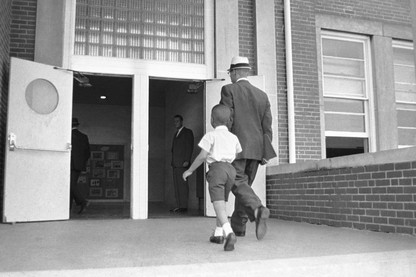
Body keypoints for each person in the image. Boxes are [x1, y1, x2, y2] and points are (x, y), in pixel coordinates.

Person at [220, 56, 276, 240]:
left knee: (237, 183)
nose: (230, 77)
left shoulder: (229, 90)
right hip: (257, 150)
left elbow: (226, 119)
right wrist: (266, 152)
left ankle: (258, 209)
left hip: (237, 147)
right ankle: (239, 228)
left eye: (230, 73)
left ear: (235, 72)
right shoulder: (262, 95)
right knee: (244, 188)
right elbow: (267, 127)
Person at [183, 104, 242, 251]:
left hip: (217, 170)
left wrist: (189, 170)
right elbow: (237, 153)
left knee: (218, 204)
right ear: (229, 121)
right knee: (222, 203)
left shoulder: (211, 136)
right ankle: (218, 233)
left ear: (211, 120)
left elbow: (203, 156)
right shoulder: (233, 137)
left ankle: (229, 232)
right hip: (230, 170)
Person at [171, 114, 194, 213]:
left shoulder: (187, 132)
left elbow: (189, 147)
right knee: (177, 185)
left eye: (177, 121)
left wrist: (187, 160)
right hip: (175, 164)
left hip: (183, 163)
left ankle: (184, 206)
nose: (175, 123)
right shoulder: (176, 134)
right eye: (174, 121)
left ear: (181, 121)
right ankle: (179, 206)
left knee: (183, 185)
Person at [70, 117, 91, 215]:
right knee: (71, 185)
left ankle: (82, 201)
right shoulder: (84, 136)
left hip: (68, 164)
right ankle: (69, 208)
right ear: (77, 125)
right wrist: (81, 163)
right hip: (78, 166)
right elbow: (88, 153)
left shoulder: (67, 135)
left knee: (70, 185)